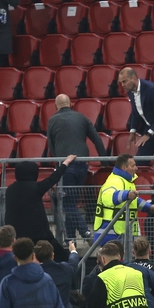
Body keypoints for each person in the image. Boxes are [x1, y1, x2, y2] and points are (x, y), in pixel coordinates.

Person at [47, 94, 109, 240]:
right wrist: (105, 161)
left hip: (65, 165)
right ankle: (70, 238)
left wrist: (58, 165)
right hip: (82, 164)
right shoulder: (82, 117)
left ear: (56, 106)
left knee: (67, 204)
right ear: (70, 103)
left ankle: (84, 230)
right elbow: (97, 139)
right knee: (72, 203)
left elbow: (51, 145)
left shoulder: (52, 120)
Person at [5, 155, 77, 262]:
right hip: (39, 236)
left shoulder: (9, 189)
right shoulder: (35, 188)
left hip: (17, 236)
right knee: (62, 258)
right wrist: (66, 163)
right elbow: (54, 178)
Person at [93, 153, 154, 246]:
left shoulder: (126, 180)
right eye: (133, 166)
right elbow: (108, 197)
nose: (136, 168)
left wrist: (149, 207)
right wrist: (127, 194)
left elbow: (133, 201)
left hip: (120, 234)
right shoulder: (114, 180)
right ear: (124, 168)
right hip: (110, 234)